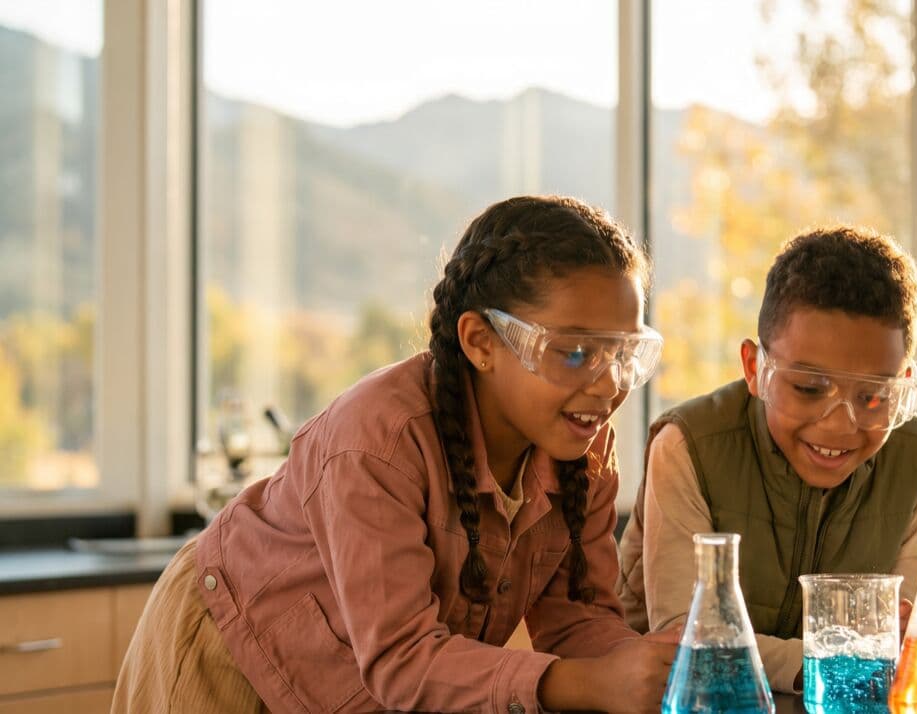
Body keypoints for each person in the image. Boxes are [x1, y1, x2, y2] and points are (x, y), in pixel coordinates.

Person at [114, 196, 675, 714]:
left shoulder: (582, 449)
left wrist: (652, 672)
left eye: (625, 354)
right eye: (576, 353)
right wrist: (589, 684)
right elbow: (404, 659)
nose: (608, 386)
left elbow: (579, 620)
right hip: (230, 645)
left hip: (361, 686)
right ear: (481, 342)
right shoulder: (380, 440)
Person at [618, 225, 917, 693]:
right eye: (809, 389)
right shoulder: (686, 446)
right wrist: (838, 660)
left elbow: (907, 642)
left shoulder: (916, 457)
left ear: (905, 382)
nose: (839, 425)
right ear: (755, 368)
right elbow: (688, 642)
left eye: (873, 397)